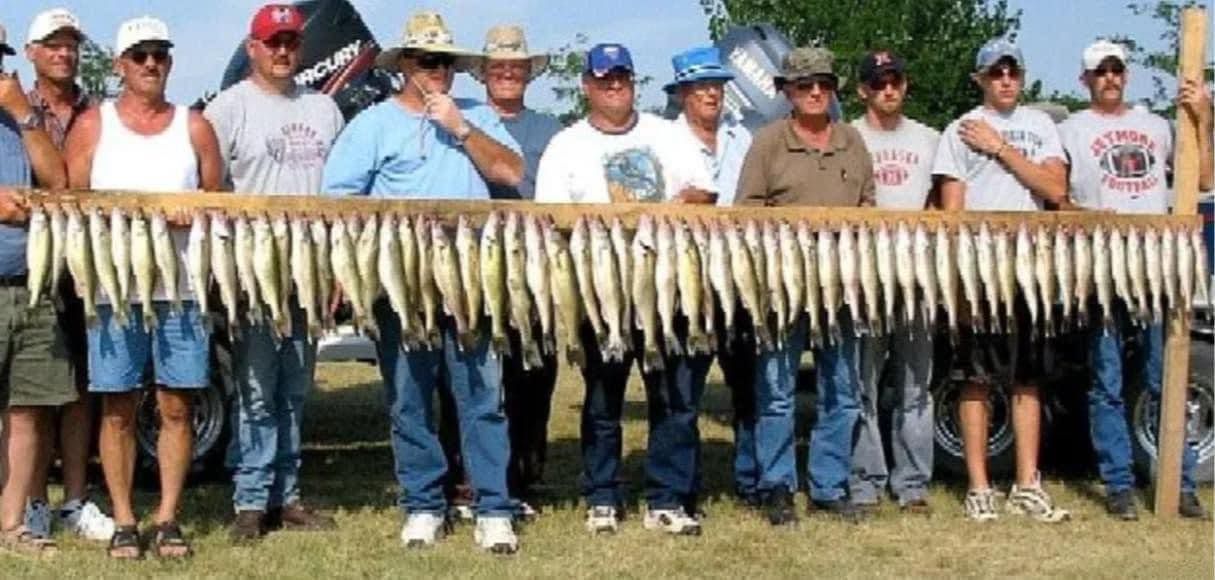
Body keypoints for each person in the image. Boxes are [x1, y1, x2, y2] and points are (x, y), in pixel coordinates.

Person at [321, 10, 524, 554]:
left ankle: (493, 506)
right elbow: (339, 199)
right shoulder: (370, 126)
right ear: (404, 65)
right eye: (428, 61)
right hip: (401, 277)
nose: (439, 71)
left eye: (447, 62)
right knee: (408, 395)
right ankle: (423, 502)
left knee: (481, 392)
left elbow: (510, 172)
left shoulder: (478, 114)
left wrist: (460, 127)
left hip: (471, 275)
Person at [535, 42, 717, 536]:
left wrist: (689, 200)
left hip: (669, 286)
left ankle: (668, 498)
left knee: (676, 400)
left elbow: (705, 192)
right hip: (600, 289)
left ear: (634, 82)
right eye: (604, 77)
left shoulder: (669, 134)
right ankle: (602, 495)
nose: (615, 85)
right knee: (602, 400)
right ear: (586, 86)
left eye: (623, 76)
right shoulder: (565, 145)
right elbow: (549, 219)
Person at [63, 15, 223, 558]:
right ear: (120, 65)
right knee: (117, 406)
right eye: (139, 55)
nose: (151, 63)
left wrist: (194, 213)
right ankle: (125, 517)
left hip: (181, 288)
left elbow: (218, 201)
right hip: (114, 289)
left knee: (177, 405)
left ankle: (169, 517)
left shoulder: (194, 125)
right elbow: (74, 207)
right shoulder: (92, 125)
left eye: (159, 54)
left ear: (170, 62)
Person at [204, 4, 344, 543]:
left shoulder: (325, 108)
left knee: (295, 387)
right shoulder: (228, 108)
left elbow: (338, 197)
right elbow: (210, 190)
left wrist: (334, 271)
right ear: (253, 47)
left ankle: (287, 494)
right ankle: (250, 498)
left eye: (290, 41)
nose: (282, 51)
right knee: (256, 387)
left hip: (310, 267)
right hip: (253, 266)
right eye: (272, 42)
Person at [1059, 40, 1213, 520]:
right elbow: (1056, 197)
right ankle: (1120, 484)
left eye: (1116, 69)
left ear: (1126, 75)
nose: (1109, 77)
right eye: (1099, 70)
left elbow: (1204, 181)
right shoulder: (1070, 130)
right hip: (1103, 263)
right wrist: (1083, 215)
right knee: (1106, 378)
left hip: (1158, 264)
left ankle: (1180, 482)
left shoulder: (1158, 126)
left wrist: (1203, 121)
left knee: (1166, 375)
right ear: (1084, 79)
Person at [736, 46, 875, 525]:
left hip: (843, 287)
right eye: (804, 85)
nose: (815, 92)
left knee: (843, 391)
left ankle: (829, 486)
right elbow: (747, 211)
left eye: (823, 84)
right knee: (775, 391)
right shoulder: (768, 143)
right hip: (782, 285)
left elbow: (869, 208)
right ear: (787, 92)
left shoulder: (853, 141)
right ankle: (776, 486)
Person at [934, 38, 1071, 523]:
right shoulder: (959, 129)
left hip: (1032, 268)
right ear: (980, 80)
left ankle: (1027, 484)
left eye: (1012, 71)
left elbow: (1055, 190)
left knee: (1028, 379)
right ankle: (979, 487)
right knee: (974, 379)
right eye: (996, 73)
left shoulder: (1042, 127)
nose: (1006, 79)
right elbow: (952, 210)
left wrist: (1001, 149)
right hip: (978, 268)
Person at [10, 8, 116, 544]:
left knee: (80, 387)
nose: (64, 53)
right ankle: (29, 501)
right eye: (52, 44)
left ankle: (75, 499)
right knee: (29, 395)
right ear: (31, 53)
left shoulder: (99, 112)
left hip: (87, 268)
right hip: (32, 265)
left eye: (71, 44)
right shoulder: (15, 109)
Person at [468, 24, 563, 517]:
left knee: (535, 371)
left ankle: (525, 474)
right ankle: (471, 478)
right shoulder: (460, 119)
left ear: (529, 74)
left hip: (536, 264)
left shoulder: (552, 130)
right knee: (474, 374)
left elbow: (552, 193)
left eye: (517, 67)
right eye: (498, 66)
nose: (507, 74)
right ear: (482, 73)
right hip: (473, 261)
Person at [664, 45, 759, 505]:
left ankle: (752, 482)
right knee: (681, 394)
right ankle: (681, 487)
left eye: (717, 85)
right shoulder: (662, 139)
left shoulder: (745, 138)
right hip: (685, 280)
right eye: (702, 85)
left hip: (741, 279)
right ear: (682, 91)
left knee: (750, 389)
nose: (711, 93)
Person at [847, 50, 938, 513]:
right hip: (863, 277)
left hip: (918, 277)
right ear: (863, 89)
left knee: (916, 385)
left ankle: (913, 484)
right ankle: (865, 481)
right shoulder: (847, 138)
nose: (888, 88)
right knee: (862, 382)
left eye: (896, 79)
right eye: (878, 81)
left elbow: (945, 207)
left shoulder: (931, 139)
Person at [0, 18, 70, 557]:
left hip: (30, 282)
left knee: (28, 410)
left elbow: (58, 181)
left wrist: (24, 114)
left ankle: (12, 523)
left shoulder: (20, 117)